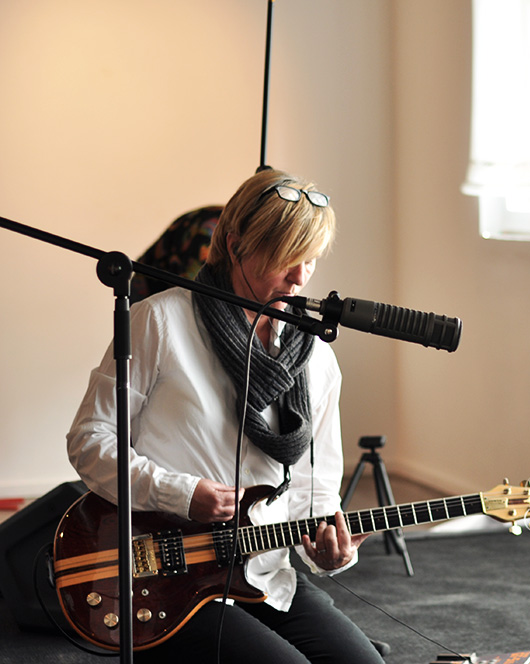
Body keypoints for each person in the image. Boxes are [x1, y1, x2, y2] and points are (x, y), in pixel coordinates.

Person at [66, 168, 386, 663]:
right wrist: (181, 494)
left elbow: (314, 492)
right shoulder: (159, 321)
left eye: (310, 260)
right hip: (165, 576)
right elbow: (90, 440)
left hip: (263, 572)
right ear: (235, 246)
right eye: (286, 258)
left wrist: (331, 554)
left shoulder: (317, 358)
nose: (300, 277)